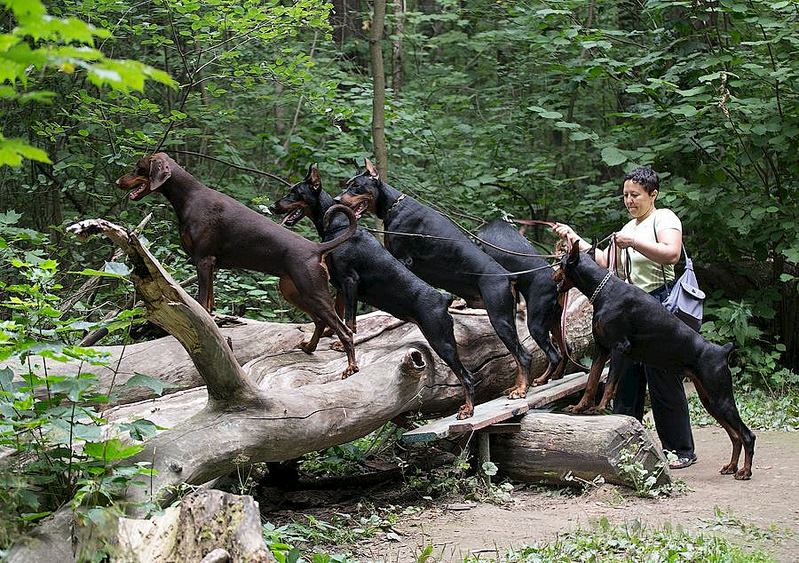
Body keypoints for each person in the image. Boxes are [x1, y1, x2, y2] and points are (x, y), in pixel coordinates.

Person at [552, 166, 697, 470]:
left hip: (658, 304)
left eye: (635, 195)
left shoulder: (664, 218)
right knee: (625, 378)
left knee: (663, 378)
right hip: (627, 310)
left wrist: (634, 243)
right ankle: (628, 449)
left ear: (652, 195)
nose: (629, 201)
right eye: (626, 196)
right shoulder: (628, 227)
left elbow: (671, 254)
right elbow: (604, 262)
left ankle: (679, 450)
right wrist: (573, 236)